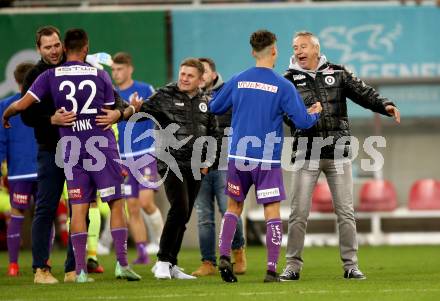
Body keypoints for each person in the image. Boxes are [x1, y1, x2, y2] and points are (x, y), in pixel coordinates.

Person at [3, 28, 141, 283]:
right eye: (48, 47)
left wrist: (119, 113)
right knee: (51, 207)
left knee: (79, 207)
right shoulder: (54, 73)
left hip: (70, 149)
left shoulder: (53, 75)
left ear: (64, 47)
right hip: (66, 148)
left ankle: (75, 269)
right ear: (39, 50)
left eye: (56, 45)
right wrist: (50, 118)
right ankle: (43, 269)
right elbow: (29, 114)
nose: (54, 51)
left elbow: (20, 107)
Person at [280, 31, 400, 281]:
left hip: (338, 152)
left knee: (346, 212)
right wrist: (303, 114)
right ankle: (292, 266)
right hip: (306, 153)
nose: (298, 51)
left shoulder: (338, 72)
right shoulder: (287, 80)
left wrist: (385, 105)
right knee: (298, 213)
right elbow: (283, 114)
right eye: (294, 47)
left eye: (303, 46)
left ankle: (351, 266)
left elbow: (364, 93)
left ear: (316, 49)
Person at [209, 29, 321, 283]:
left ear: (252, 52)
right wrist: (315, 112)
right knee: (271, 211)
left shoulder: (238, 79)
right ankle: (271, 269)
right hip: (267, 159)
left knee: (233, 207)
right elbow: (302, 121)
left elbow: (215, 107)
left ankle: (225, 254)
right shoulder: (282, 85)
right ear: (274, 51)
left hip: (238, 155)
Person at [132, 58, 218, 280]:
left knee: (185, 215)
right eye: (182, 73)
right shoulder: (164, 95)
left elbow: (213, 132)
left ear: (200, 80)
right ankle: (162, 260)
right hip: (169, 161)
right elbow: (139, 112)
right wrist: (133, 107)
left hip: (197, 165)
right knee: (179, 208)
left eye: (190, 75)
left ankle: (171, 263)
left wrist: (209, 161)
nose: (184, 78)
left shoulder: (206, 101)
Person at [191, 57, 246, 277]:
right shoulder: (188, 98)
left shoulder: (229, 93)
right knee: (204, 216)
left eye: (203, 72)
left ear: (213, 74)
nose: (200, 76)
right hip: (197, 165)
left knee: (229, 211)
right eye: (197, 72)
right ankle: (208, 262)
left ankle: (237, 251)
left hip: (225, 163)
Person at [111, 52, 164, 265]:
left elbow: (159, 111)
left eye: (120, 69)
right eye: (113, 69)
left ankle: (162, 243)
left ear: (130, 69)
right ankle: (142, 252)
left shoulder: (145, 89)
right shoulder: (111, 93)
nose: (116, 73)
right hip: (123, 158)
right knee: (131, 207)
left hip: (145, 154)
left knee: (145, 202)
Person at [0, 62, 37, 277]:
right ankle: (44, 260)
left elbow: (1, 140)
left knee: (16, 215)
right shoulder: (43, 103)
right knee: (45, 215)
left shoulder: (5, 105)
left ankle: (13, 265)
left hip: (18, 172)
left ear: (15, 81)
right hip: (43, 169)